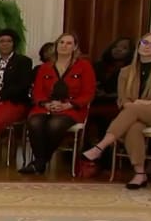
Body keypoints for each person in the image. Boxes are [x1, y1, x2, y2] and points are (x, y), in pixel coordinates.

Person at [81, 32, 151, 189]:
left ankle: (101, 146)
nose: (147, 46)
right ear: (139, 45)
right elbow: (122, 100)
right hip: (135, 114)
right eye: (145, 42)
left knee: (134, 109)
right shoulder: (126, 71)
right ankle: (140, 173)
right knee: (133, 127)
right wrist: (130, 105)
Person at [19, 33, 96, 174]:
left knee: (55, 125)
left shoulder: (84, 66)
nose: (64, 46)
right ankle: (41, 162)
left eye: (69, 43)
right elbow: (37, 92)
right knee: (35, 122)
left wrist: (69, 104)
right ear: (56, 45)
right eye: (61, 42)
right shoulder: (45, 67)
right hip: (46, 107)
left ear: (75, 47)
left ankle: (40, 162)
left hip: (71, 109)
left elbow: (88, 93)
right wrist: (46, 104)